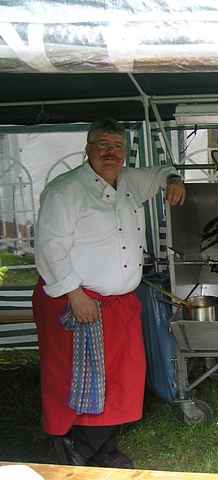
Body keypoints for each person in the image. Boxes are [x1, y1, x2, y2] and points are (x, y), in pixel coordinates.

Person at [32, 118, 186, 468]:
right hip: (76, 301)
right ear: (87, 149)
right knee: (76, 376)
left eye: (116, 146)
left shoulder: (129, 181)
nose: (110, 153)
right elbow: (48, 248)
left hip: (118, 305)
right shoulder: (65, 190)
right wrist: (75, 294)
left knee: (119, 375)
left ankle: (100, 446)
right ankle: (71, 448)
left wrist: (173, 180)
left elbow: (161, 172)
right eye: (102, 145)